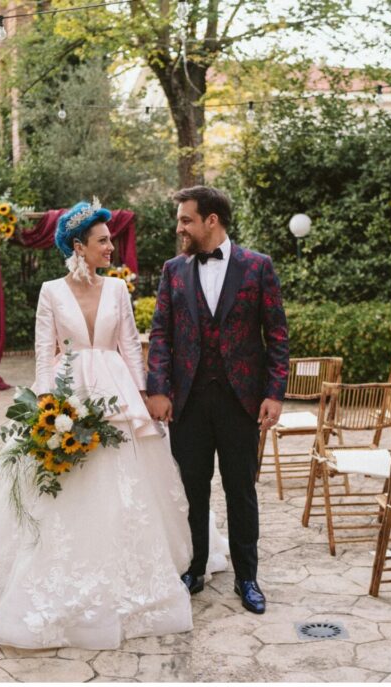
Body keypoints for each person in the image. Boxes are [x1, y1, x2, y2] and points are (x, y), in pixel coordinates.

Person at [0, 199, 227, 650]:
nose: (111, 248)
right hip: (67, 389)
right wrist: (46, 407)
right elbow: (44, 351)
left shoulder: (118, 289)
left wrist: (142, 396)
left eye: (111, 240)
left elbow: (128, 346)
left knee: (124, 482)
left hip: (115, 391)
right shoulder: (50, 290)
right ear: (79, 246)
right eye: (103, 241)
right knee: (58, 481)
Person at [146, 186, 289, 615]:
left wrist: (274, 393)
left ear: (212, 220)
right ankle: (195, 567)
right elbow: (160, 334)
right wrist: (158, 388)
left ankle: (248, 577)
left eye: (186, 219)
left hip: (241, 400)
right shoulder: (173, 270)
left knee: (240, 490)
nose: (179, 227)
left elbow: (277, 335)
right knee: (191, 490)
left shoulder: (257, 266)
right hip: (187, 401)